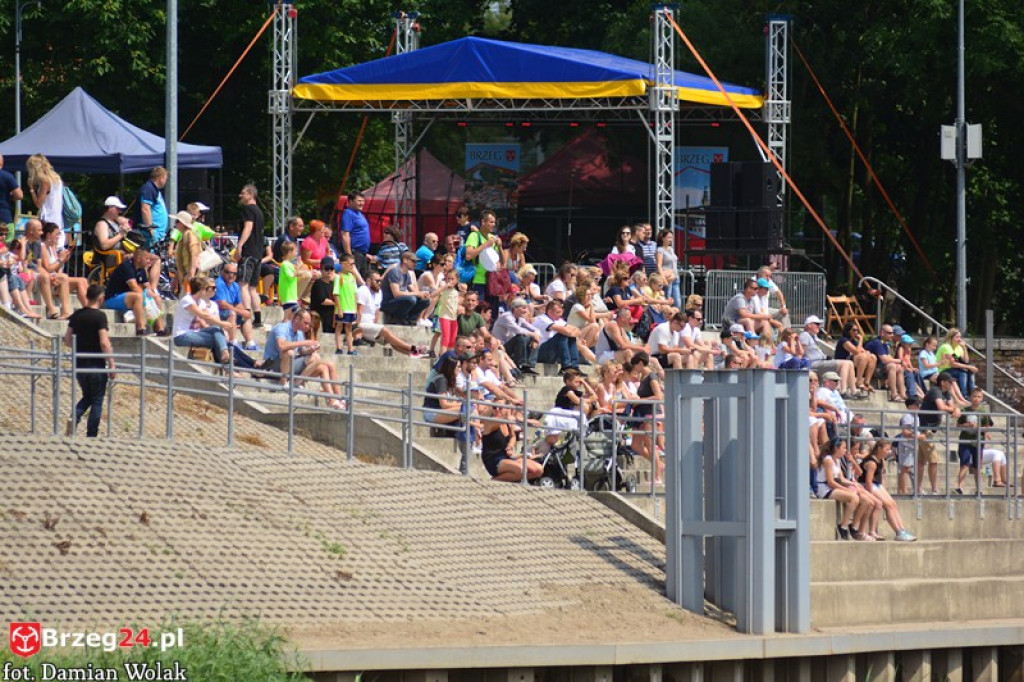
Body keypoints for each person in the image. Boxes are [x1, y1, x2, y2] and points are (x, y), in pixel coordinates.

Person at [262, 309, 345, 408]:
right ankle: (286, 383)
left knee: (323, 367)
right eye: (305, 323)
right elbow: (282, 346)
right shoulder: (281, 328)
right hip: (273, 365)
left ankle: (334, 399)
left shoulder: (299, 333)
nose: (307, 326)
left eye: (308, 324)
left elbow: (302, 352)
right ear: (297, 319)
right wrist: (305, 342)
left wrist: (311, 349)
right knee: (290, 353)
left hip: (289, 366)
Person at [63, 283, 115, 437]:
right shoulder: (100, 316)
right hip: (96, 364)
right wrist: (112, 364)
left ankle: (75, 416)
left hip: (80, 364)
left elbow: (67, 338)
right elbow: (104, 342)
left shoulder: (77, 315)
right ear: (101, 299)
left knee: (88, 396)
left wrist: (79, 348)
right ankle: (91, 435)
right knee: (97, 400)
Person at [354, 272, 427, 357]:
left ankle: (412, 354)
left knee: (390, 339)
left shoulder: (379, 292)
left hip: (370, 325)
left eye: (380, 281)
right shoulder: (363, 290)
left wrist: (375, 326)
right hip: (360, 325)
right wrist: (357, 331)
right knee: (384, 331)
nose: (379, 283)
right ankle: (413, 348)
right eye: (377, 281)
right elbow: (358, 311)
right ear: (369, 281)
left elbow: (377, 312)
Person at [859, 440, 917, 541]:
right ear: (879, 449)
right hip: (867, 485)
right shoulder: (872, 462)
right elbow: (868, 481)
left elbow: (881, 479)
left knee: (893, 503)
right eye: (887, 449)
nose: (889, 452)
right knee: (888, 505)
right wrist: (871, 495)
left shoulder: (881, 460)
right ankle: (898, 532)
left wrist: (884, 491)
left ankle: (902, 529)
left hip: (877, 485)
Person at [103, 246, 167, 336]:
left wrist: (152, 294)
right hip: (113, 298)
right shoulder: (127, 266)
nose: (149, 261)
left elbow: (147, 286)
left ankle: (159, 329)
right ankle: (140, 328)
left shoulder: (141, 269)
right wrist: (146, 297)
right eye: (147, 258)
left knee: (156, 297)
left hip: (127, 297)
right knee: (138, 296)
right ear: (138, 258)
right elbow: (133, 286)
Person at [815, 438, 871, 542]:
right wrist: (847, 490)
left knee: (865, 500)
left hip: (832, 486)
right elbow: (830, 482)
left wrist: (854, 484)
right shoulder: (828, 460)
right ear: (836, 448)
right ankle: (843, 526)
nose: (845, 450)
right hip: (824, 489)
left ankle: (853, 526)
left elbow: (842, 479)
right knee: (854, 498)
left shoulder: (837, 460)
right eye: (843, 448)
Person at [955, 387, 1009, 493]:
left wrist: (981, 429)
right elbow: (958, 425)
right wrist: (966, 425)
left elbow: (987, 426)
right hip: (965, 441)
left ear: (981, 398)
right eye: (974, 396)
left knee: (977, 466)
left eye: (979, 397)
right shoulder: (965, 411)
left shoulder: (983, 412)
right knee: (964, 464)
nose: (976, 399)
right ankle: (960, 487)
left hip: (978, 442)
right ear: (970, 397)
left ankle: (978, 489)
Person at [171, 276, 233, 365]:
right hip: (181, 336)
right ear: (201, 289)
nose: (207, 291)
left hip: (194, 333)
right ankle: (226, 364)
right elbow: (204, 316)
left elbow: (209, 315)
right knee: (216, 339)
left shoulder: (200, 302)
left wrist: (220, 326)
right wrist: (222, 323)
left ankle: (225, 353)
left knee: (216, 329)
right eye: (206, 288)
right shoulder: (188, 300)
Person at [918, 372, 961, 495]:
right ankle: (934, 489)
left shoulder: (946, 392)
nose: (952, 384)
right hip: (925, 429)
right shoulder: (935, 391)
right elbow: (941, 406)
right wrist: (954, 409)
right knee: (933, 460)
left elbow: (951, 405)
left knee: (921, 461)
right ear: (943, 382)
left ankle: (918, 488)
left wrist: (955, 409)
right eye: (950, 382)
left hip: (930, 430)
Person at [800, 315, 858, 396]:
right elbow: (802, 351)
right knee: (845, 363)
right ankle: (843, 391)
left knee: (850, 363)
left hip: (820, 362)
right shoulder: (805, 335)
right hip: (813, 363)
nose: (819, 326)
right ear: (809, 325)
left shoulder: (813, 336)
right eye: (817, 324)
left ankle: (853, 391)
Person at [233, 184, 265, 329]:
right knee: (253, 288)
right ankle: (257, 318)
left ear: (251, 194)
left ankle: (245, 316)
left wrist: (240, 245)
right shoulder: (259, 211)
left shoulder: (248, 210)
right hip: (258, 253)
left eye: (243, 193)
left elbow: (248, 227)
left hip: (248, 252)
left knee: (243, 285)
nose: (240, 196)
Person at [212, 263, 257, 350]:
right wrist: (240, 311)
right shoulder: (219, 283)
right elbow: (222, 304)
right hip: (217, 312)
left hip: (228, 310)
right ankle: (233, 342)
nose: (231, 275)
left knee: (246, 315)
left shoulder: (235, 285)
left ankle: (250, 343)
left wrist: (244, 312)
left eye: (234, 273)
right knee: (232, 313)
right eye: (228, 272)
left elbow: (238, 303)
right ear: (222, 272)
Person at [25, 153, 66, 249]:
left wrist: (31, 189)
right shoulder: (56, 178)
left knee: (46, 250)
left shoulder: (45, 181)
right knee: (56, 249)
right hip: (57, 219)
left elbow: (38, 204)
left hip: (47, 219)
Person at [492, 298, 540, 374]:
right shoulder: (506, 316)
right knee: (522, 337)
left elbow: (534, 329)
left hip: (512, 346)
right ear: (515, 308)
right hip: (502, 346)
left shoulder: (520, 318)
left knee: (533, 338)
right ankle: (521, 364)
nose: (525, 311)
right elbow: (518, 330)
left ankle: (529, 365)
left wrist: (535, 338)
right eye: (523, 308)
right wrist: (533, 335)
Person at [381, 250, 430, 324]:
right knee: (411, 299)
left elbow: (412, 289)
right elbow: (396, 294)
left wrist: (422, 294)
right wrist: (416, 294)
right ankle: (396, 318)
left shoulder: (407, 274)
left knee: (425, 301)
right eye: (413, 261)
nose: (415, 264)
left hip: (400, 301)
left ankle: (411, 319)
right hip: (389, 302)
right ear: (405, 260)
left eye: (416, 262)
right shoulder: (394, 271)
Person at [534, 299, 580, 372]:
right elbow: (565, 331)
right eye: (558, 312)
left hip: (552, 351)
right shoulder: (542, 319)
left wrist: (571, 333)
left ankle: (574, 367)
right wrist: (569, 332)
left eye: (561, 312)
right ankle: (566, 366)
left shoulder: (558, 320)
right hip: (541, 352)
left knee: (571, 337)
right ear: (550, 312)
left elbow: (577, 331)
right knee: (562, 335)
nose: (561, 315)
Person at [333, 253, 364, 355]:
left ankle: (350, 349)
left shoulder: (352, 277)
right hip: (343, 307)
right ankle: (339, 348)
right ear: (343, 264)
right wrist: (339, 308)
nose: (352, 266)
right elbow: (336, 294)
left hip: (351, 308)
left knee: (349, 328)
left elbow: (355, 294)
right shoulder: (338, 277)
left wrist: (355, 309)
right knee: (339, 326)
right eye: (350, 264)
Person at [864, 325, 905, 401]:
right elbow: (885, 360)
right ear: (882, 333)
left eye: (892, 333)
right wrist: (900, 361)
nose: (892, 335)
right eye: (889, 333)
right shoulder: (877, 342)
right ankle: (894, 395)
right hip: (870, 369)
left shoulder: (885, 343)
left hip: (879, 368)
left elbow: (889, 357)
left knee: (899, 368)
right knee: (892, 366)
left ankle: (903, 394)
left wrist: (899, 363)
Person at [834, 321, 876, 395]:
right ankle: (859, 382)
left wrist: (867, 353)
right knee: (862, 357)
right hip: (843, 362)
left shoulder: (853, 341)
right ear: (848, 331)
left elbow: (862, 350)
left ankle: (866, 382)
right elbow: (856, 351)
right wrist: (861, 340)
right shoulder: (844, 340)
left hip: (852, 362)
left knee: (873, 357)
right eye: (854, 330)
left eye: (857, 330)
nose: (856, 332)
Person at [339, 191, 374, 276]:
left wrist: (365, 254)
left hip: (362, 254)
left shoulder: (359, 214)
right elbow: (345, 234)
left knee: (364, 278)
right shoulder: (348, 213)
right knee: (353, 278)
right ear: (350, 202)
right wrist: (349, 255)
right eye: (359, 201)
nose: (362, 203)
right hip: (354, 253)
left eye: (363, 201)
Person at [936, 327, 978, 398]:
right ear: (951, 338)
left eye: (960, 337)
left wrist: (964, 348)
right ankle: (964, 395)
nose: (960, 339)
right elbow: (953, 364)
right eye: (957, 337)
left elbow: (966, 361)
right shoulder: (946, 347)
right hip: (943, 370)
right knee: (963, 373)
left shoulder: (958, 347)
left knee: (969, 372)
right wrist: (970, 367)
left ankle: (971, 394)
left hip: (953, 369)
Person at [92, 196, 131, 268]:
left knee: (146, 257)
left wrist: (126, 224)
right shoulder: (102, 224)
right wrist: (121, 235)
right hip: (110, 257)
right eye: (118, 209)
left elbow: (126, 221)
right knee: (139, 259)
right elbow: (104, 245)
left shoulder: (115, 221)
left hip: (121, 255)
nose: (120, 211)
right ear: (110, 208)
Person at [135, 166, 169, 246]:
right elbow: (145, 209)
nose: (165, 181)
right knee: (147, 253)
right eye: (165, 179)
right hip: (150, 234)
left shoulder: (154, 189)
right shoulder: (148, 188)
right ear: (161, 178)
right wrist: (150, 229)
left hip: (156, 234)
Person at [655, 228, 680, 308]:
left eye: (671, 237)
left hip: (675, 277)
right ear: (663, 238)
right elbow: (659, 265)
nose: (670, 239)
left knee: (677, 303)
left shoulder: (671, 249)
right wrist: (664, 279)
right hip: (667, 278)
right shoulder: (660, 250)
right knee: (667, 301)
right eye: (668, 237)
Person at [0, 155, 23, 241]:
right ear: (2, 163)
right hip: (4, 216)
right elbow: (19, 195)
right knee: (6, 245)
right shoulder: (7, 176)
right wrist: (11, 197)